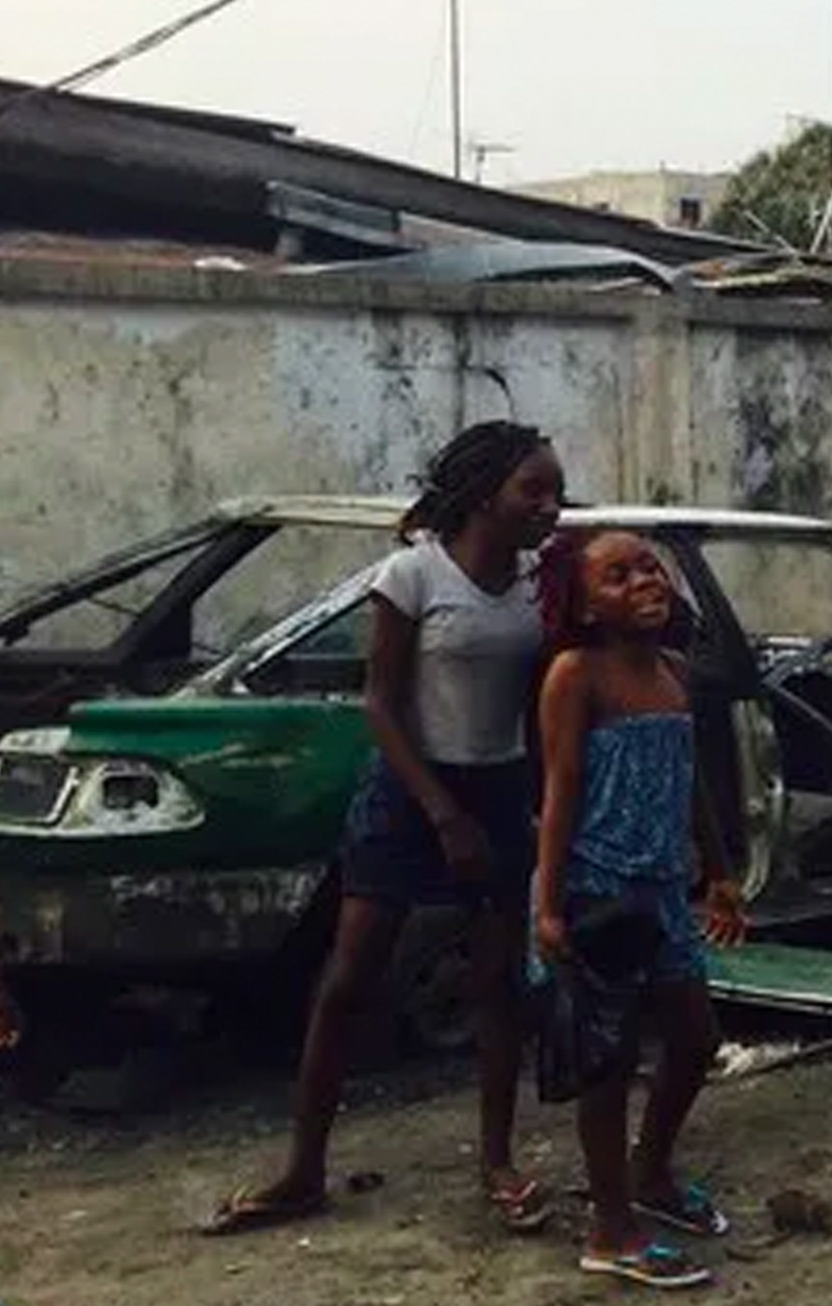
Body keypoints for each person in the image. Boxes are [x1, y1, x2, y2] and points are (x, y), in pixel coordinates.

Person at [209, 423, 565, 1237]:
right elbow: (381, 702)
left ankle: (497, 1162)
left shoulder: (541, 584)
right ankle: (303, 1167)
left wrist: (539, 802)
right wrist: (441, 812)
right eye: (532, 491)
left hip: (501, 784)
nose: (550, 508)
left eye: (556, 492)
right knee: (349, 980)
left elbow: (546, 697)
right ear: (483, 496)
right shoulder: (412, 575)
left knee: (500, 984)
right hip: (412, 790)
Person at [528, 530, 749, 1290]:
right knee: (608, 1063)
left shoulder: (673, 673)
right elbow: (558, 793)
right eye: (617, 576)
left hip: (662, 891)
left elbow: (690, 784)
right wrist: (547, 904)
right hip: (598, 889)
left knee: (696, 1038)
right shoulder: (573, 676)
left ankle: (650, 1171)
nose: (643, 582)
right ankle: (610, 1228)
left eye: (648, 567)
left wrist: (718, 873)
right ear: (585, 605)